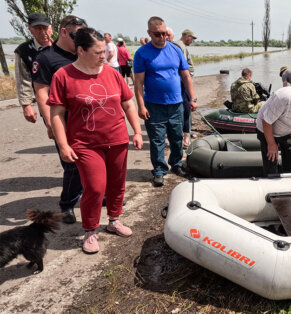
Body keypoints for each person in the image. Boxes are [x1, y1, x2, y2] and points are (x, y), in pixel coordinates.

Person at [48, 27, 143, 254]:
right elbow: (57, 114)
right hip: (85, 142)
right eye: (98, 51)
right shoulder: (63, 76)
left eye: (104, 50)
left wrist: (137, 131)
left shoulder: (112, 73)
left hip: (117, 138)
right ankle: (90, 230)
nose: (105, 55)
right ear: (81, 50)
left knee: (117, 184)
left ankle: (113, 220)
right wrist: (63, 145)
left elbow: (128, 104)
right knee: (95, 186)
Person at [32, 15, 88, 224]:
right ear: (63, 32)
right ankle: (67, 205)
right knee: (72, 165)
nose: (80, 40)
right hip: (63, 122)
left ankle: (96, 195)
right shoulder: (47, 58)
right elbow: (42, 92)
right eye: (76, 36)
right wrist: (50, 124)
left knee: (94, 161)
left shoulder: (83, 53)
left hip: (87, 120)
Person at [134, 16, 197, 187]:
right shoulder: (142, 53)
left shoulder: (175, 50)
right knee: (157, 139)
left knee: (177, 137)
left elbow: (185, 76)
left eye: (163, 34)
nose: (161, 37)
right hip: (154, 105)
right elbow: (138, 83)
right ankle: (159, 170)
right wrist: (140, 105)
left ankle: (176, 164)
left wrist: (192, 98)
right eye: (157, 34)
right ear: (149, 33)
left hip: (176, 103)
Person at [14, 12, 52, 123]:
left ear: (51, 27)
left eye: (45, 28)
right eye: (38, 28)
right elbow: (23, 80)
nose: (43, 32)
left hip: (69, 99)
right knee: (57, 134)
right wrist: (26, 105)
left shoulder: (61, 46)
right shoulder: (24, 51)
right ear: (30, 29)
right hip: (46, 102)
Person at [174, 28, 196, 146]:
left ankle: (186, 134)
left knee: (185, 110)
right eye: (191, 38)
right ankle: (185, 137)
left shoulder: (182, 46)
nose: (192, 40)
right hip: (183, 85)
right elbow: (181, 68)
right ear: (186, 36)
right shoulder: (179, 46)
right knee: (186, 109)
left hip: (185, 83)